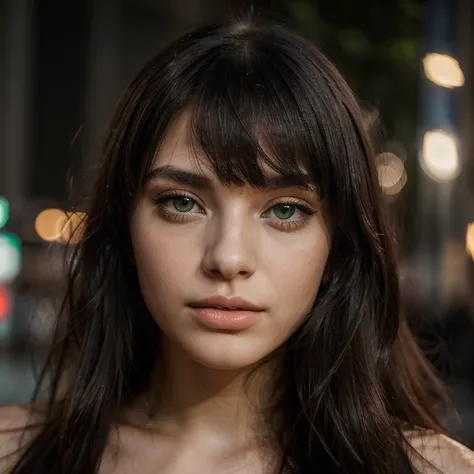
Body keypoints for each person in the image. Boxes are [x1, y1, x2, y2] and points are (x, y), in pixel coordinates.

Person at [1, 17, 473, 474]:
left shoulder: (434, 469)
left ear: (340, 247)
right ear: (124, 227)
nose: (228, 258)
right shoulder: (13, 453)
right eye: (182, 202)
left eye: (285, 210)